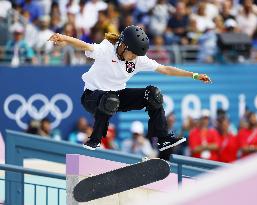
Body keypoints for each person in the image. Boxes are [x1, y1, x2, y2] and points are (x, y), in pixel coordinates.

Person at [48, 25, 211, 152]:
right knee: (109, 99)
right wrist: (64, 38)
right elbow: (86, 46)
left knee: (152, 94)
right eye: (132, 54)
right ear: (123, 46)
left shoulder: (138, 59)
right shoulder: (106, 50)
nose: (133, 58)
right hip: (92, 97)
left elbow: (165, 69)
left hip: (117, 96)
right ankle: (95, 140)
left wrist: (194, 75)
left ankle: (163, 139)